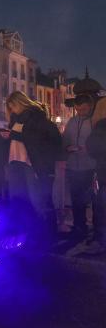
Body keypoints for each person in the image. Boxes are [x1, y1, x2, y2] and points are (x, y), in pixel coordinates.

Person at [4, 91, 62, 250]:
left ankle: (47, 237)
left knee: (39, 200)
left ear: (21, 103)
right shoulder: (15, 119)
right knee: (21, 198)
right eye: (10, 107)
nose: (12, 110)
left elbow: (42, 139)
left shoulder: (36, 117)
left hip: (32, 164)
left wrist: (15, 135)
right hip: (16, 163)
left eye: (13, 106)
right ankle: (30, 234)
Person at [62, 95, 98, 248]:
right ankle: (79, 228)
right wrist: (67, 148)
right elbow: (64, 140)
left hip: (90, 167)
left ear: (90, 106)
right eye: (77, 109)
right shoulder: (72, 121)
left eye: (83, 109)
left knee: (92, 200)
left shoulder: (95, 122)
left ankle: (96, 231)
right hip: (73, 166)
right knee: (76, 201)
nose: (80, 112)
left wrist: (89, 150)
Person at [84, 98, 106, 255]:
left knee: (101, 208)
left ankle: (101, 241)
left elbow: (93, 148)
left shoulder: (101, 126)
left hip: (103, 171)